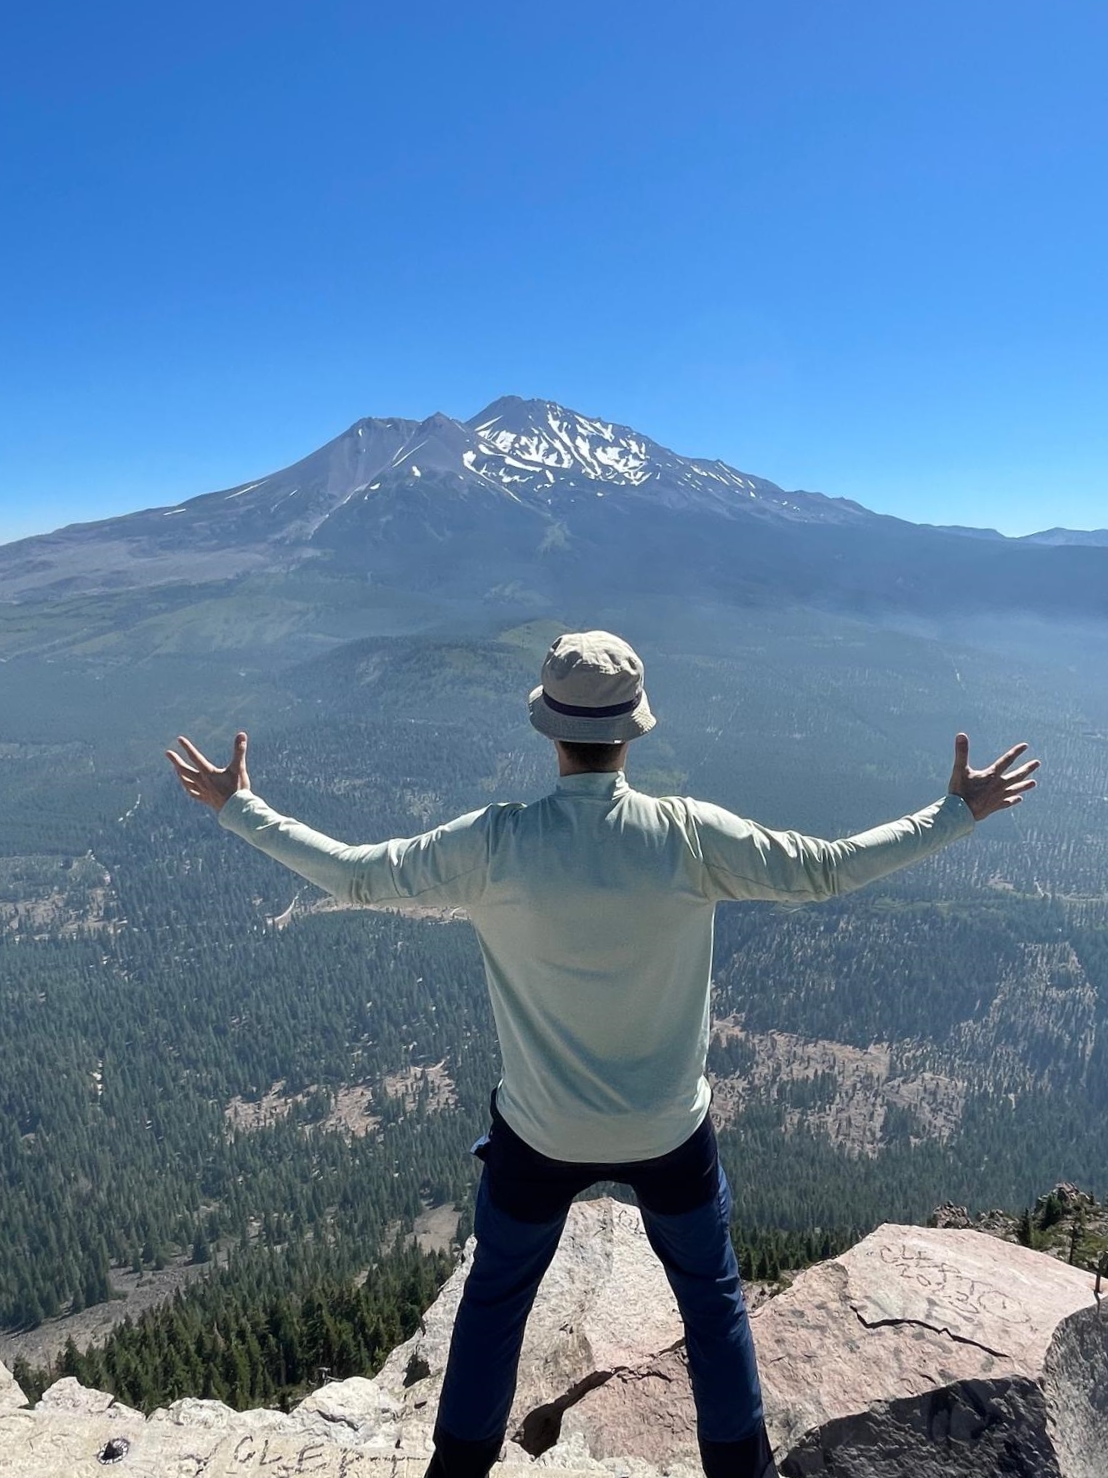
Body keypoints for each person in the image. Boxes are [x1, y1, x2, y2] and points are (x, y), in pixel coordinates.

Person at [167, 630, 1038, 1478]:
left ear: (549, 728)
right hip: (668, 1131)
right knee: (711, 1304)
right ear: (633, 729)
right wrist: (956, 812)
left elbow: (355, 873)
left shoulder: (496, 843)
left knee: (496, 1302)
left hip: (539, 1135)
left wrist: (239, 809)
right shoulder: (688, 836)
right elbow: (826, 868)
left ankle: (459, 1467)